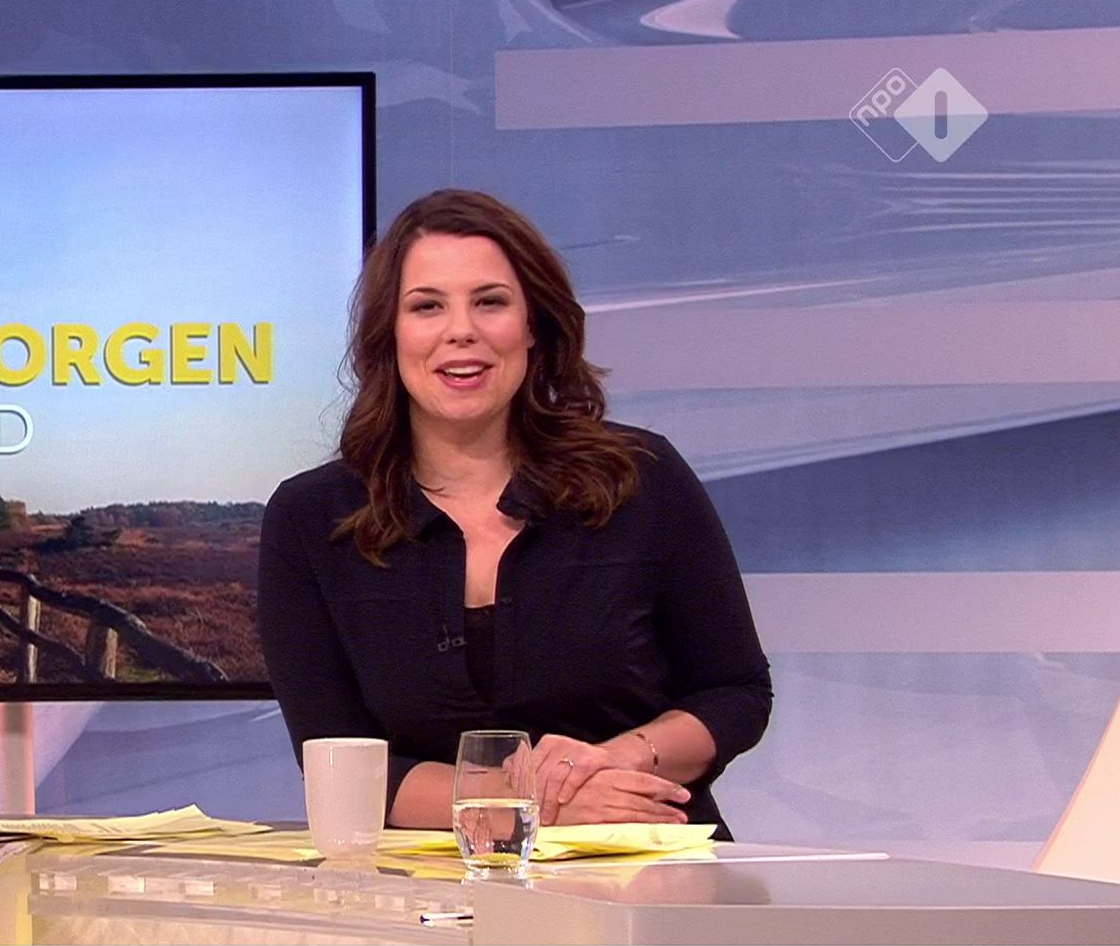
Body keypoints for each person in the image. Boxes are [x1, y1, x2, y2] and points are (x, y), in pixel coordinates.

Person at [257, 189, 771, 837]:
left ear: (532, 324)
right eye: (427, 306)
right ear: (390, 333)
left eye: (490, 302)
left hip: (650, 860)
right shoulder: (312, 518)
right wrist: (533, 804)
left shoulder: (641, 478)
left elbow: (735, 693)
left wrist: (613, 761)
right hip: (428, 886)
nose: (461, 330)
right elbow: (339, 765)